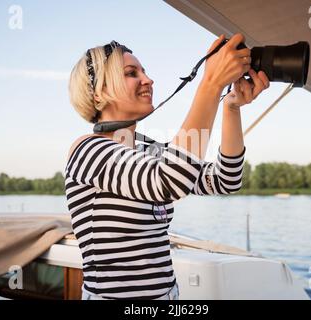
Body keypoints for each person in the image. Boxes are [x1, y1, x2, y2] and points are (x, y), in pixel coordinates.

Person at [65, 33, 269, 300]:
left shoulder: (148, 150)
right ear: (100, 91)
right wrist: (211, 83)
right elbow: (168, 180)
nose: (148, 80)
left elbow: (225, 180)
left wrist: (230, 107)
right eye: (131, 73)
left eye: (145, 72)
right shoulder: (87, 151)